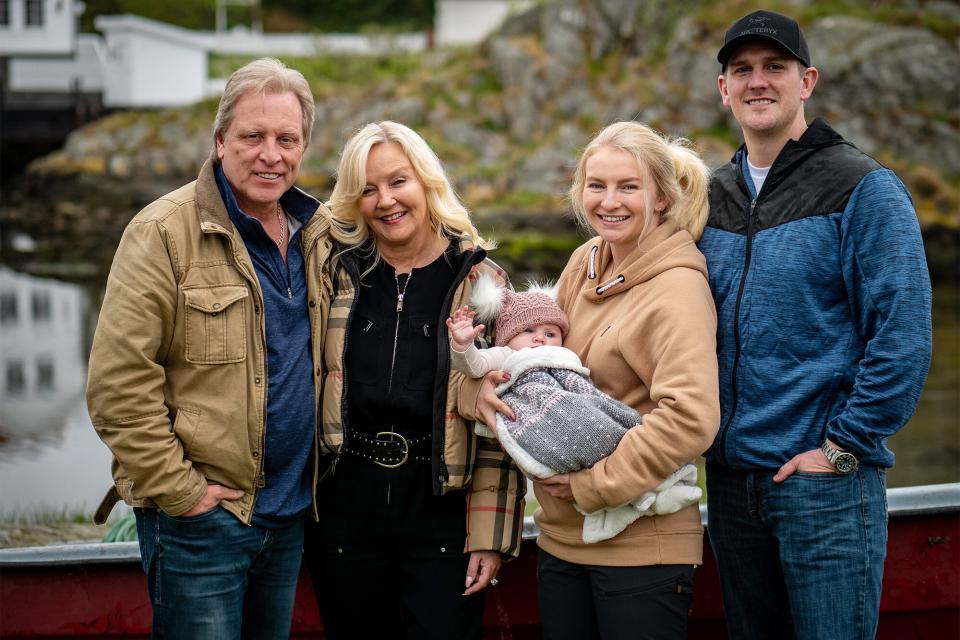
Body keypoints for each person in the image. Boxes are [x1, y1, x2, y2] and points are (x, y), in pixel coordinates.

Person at [698, 10, 933, 639]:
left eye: (775, 67)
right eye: (741, 70)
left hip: (825, 488)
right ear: (724, 89)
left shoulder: (864, 188)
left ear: (808, 81)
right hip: (729, 486)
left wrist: (843, 449)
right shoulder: (707, 196)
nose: (758, 82)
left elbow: (903, 335)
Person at [85, 58, 331, 639]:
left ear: (303, 148)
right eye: (253, 136)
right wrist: (183, 493)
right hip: (202, 524)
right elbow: (117, 386)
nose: (271, 154)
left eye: (287, 139)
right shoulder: (162, 232)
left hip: (290, 517)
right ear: (220, 142)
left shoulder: (320, 233)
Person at [473, 121, 720, 639]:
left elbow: (691, 419)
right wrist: (477, 386)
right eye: (596, 185)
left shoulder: (678, 289)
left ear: (662, 197)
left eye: (628, 186)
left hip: (640, 546)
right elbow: (531, 356)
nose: (610, 202)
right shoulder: (584, 262)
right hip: (562, 537)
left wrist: (591, 486)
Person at [302, 121, 525, 640]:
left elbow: (502, 420)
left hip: (441, 510)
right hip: (344, 510)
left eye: (398, 181)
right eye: (368, 189)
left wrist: (490, 534)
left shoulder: (481, 283)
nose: (385, 201)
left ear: (426, 182)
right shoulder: (333, 273)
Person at [447, 280, 702, 544]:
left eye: (550, 333)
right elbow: (474, 367)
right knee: (579, 451)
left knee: (612, 430)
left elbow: (585, 391)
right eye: (529, 330)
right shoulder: (506, 355)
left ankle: (659, 487)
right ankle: (647, 496)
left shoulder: (565, 356)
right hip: (539, 417)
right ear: (508, 335)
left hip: (582, 411)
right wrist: (463, 345)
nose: (539, 338)